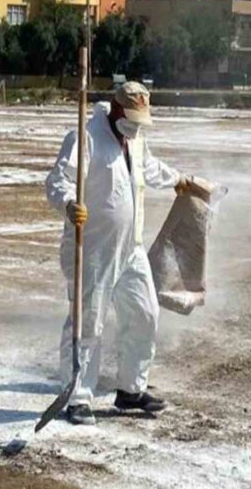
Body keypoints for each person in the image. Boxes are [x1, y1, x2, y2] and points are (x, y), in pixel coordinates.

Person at [45, 81, 193, 426]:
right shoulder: (85, 137)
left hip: (132, 246)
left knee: (145, 312)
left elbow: (148, 167)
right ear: (115, 109)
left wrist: (177, 179)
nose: (137, 125)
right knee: (88, 321)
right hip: (93, 247)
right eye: (132, 117)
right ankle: (77, 395)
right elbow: (58, 180)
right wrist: (69, 204)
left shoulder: (136, 136)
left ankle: (131, 390)